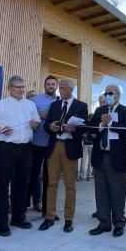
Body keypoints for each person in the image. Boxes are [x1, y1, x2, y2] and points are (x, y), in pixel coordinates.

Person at [0, 75, 40, 236]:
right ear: (10, 88)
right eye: (18, 87)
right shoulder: (0, 105)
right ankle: (1, 222)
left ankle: (18, 217)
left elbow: (36, 122)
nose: (22, 90)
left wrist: (35, 124)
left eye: (23, 87)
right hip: (6, 148)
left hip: (26, 148)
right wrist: (0, 129)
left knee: (23, 184)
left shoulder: (30, 104)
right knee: (3, 185)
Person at [39, 78, 88, 233]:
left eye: (63, 88)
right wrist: (50, 126)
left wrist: (74, 130)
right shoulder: (54, 105)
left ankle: (68, 219)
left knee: (69, 185)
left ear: (71, 89)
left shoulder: (81, 106)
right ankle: (49, 217)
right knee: (51, 183)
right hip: (54, 147)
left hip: (70, 148)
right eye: (60, 88)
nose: (60, 90)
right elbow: (46, 124)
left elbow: (84, 127)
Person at [88, 85, 126, 237]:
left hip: (116, 158)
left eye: (111, 93)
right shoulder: (100, 110)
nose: (107, 95)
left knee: (117, 192)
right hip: (100, 156)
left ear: (118, 95)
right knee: (101, 192)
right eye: (106, 93)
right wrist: (101, 124)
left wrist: (111, 124)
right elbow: (92, 128)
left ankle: (119, 223)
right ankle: (104, 223)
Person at [28, 76, 59, 215]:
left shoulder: (61, 102)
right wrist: (39, 116)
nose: (51, 86)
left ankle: (46, 209)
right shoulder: (35, 100)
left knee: (49, 179)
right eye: (48, 84)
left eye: (53, 84)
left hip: (53, 145)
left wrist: (47, 115)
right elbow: (28, 117)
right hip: (36, 143)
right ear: (45, 85)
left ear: (56, 86)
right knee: (32, 175)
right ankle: (23, 206)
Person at [79, 114, 94, 181]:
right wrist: (82, 135)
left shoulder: (93, 125)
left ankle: (88, 176)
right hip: (85, 144)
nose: (90, 119)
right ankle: (81, 176)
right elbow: (81, 133)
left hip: (92, 144)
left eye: (91, 118)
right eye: (89, 117)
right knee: (83, 161)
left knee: (91, 161)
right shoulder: (85, 125)